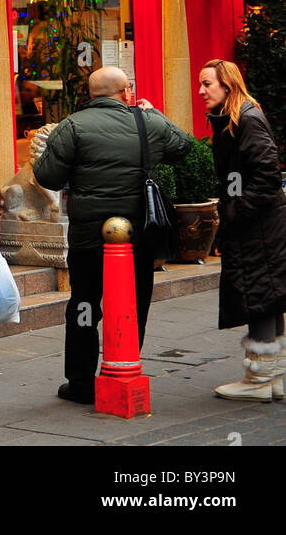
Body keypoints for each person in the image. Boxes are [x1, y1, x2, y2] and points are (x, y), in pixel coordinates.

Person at [32, 65, 193, 403]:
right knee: (134, 304)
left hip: (89, 238)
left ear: (90, 95)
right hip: (137, 236)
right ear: (127, 92)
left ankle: (80, 382)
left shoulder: (72, 126)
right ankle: (124, 366)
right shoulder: (146, 121)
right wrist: (154, 113)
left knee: (85, 305)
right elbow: (183, 147)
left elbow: (46, 176)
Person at [197, 59, 286, 401]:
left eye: (208, 84)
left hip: (259, 225)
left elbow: (266, 177)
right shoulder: (233, 119)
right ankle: (269, 378)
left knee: (260, 294)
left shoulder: (246, 120)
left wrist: (237, 214)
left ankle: (260, 381)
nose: (202, 91)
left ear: (228, 86)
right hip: (257, 223)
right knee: (266, 294)